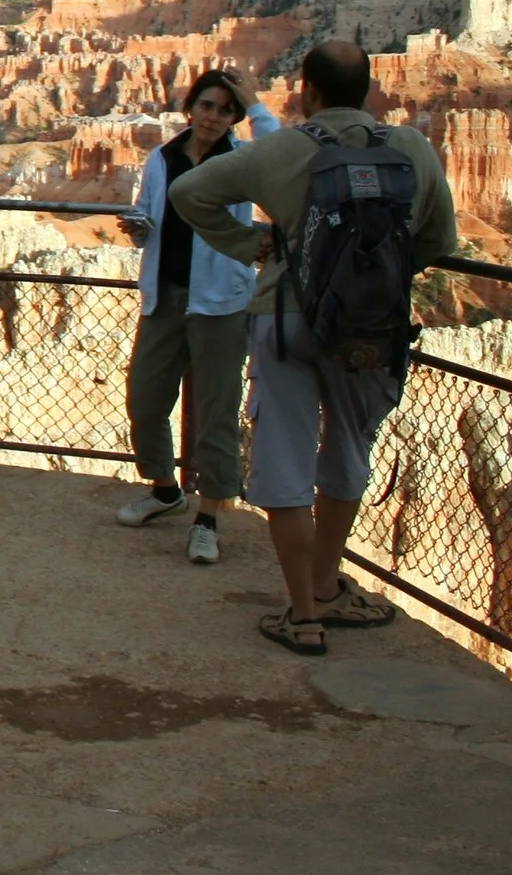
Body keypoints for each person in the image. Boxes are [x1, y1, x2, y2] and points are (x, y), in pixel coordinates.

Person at [168, 41, 458, 656]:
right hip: (368, 331)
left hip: (287, 319)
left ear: (307, 92)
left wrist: (253, 244)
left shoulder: (284, 150)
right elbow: (440, 238)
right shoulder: (411, 149)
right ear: (371, 92)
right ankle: (330, 585)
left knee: (284, 458)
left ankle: (302, 615)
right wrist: (380, 279)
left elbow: (189, 193)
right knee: (349, 450)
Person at [116, 67, 279, 564]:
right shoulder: (161, 158)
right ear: (191, 108)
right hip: (165, 297)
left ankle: (208, 518)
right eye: (207, 106)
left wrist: (254, 104)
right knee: (144, 399)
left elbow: (279, 153)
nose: (213, 117)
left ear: (234, 117)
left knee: (215, 411)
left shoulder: (242, 159)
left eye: (225, 110)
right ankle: (166, 489)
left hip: (220, 303)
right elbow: (150, 215)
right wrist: (138, 228)